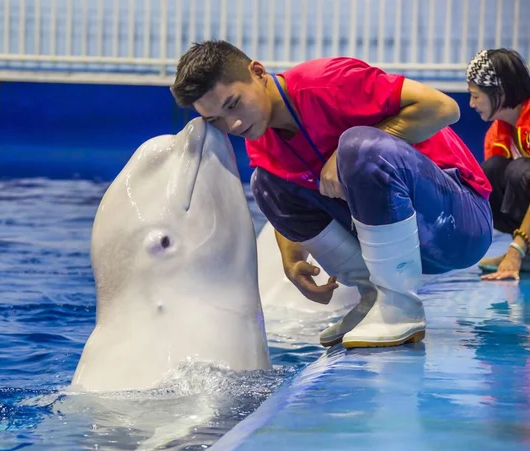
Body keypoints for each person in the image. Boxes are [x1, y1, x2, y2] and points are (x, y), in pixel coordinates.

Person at [170, 40, 493, 349]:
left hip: (460, 223)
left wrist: (345, 153)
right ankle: (372, 297)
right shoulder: (262, 143)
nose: (234, 123)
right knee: (266, 184)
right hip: (415, 249)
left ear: (258, 71)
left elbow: (444, 108)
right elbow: (289, 187)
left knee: (357, 147)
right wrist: (292, 258)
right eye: (216, 120)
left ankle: (400, 306)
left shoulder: (329, 82)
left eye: (233, 103)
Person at [467, 48, 530, 281]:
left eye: (476, 95)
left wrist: (516, 251)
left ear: (500, 93)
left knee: (519, 171)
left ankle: (522, 252)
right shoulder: (497, 134)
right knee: (489, 173)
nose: (471, 103)